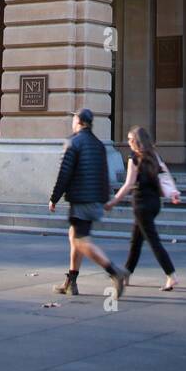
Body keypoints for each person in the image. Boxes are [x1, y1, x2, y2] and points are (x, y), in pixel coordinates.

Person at [49, 108, 127, 298]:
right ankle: (71, 282)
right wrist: (104, 199)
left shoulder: (73, 142)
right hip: (93, 199)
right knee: (74, 235)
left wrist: (54, 197)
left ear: (80, 122)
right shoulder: (99, 145)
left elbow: (64, 173)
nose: (72, 122)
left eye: (74, 118)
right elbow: (103, 174)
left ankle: (114, 272)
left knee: (81, 241)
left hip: (81, 199)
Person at [107, 126, 179, 291]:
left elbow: (129, 184)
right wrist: (173, 192)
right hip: (154, 204)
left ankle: (171, 275)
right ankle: (127, 272)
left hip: (141, 205)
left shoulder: (135, 158)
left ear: (137, 141)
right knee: (136, 239)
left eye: (130, 139)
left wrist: (114, 201)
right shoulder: (155, 156)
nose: (128, 143)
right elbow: (165, 176)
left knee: (153, 242)